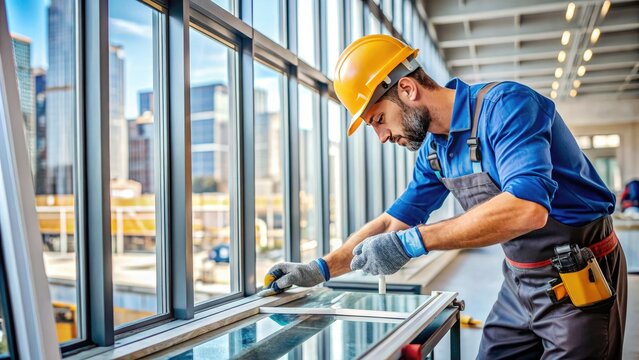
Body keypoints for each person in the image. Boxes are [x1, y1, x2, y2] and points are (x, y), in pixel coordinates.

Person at [259, 34, 627, 359]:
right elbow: (392, 222)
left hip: (580, 274)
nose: (382, 136)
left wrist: (412, 243)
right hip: (518, 280)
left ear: (406, 89)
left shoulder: (506, 107)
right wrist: (319, 269)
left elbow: (526, 209)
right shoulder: (433, 152)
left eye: (378, 120)